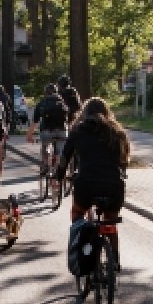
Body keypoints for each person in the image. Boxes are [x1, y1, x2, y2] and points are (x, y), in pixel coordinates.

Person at [55, 97, 130, 264]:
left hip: (86, 185)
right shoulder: (118, 132)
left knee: (77, 213)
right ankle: (115, 261)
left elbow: (64, 158)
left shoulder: (77, 131)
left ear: (84, 113)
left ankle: (81, 250)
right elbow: (124, 161)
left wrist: (59, 175)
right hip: (113, 186)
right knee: (110, 222)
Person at [26, 83, 69, 178]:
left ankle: (46, 164)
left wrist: (29, 136)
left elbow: (34, 122)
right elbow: (67, 119)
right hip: (62, 131)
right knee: (60, 152)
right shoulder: (62, 103)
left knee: (45, 147)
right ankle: (60, 167)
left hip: (47, 131)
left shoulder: (42, 103)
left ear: (45, 93)